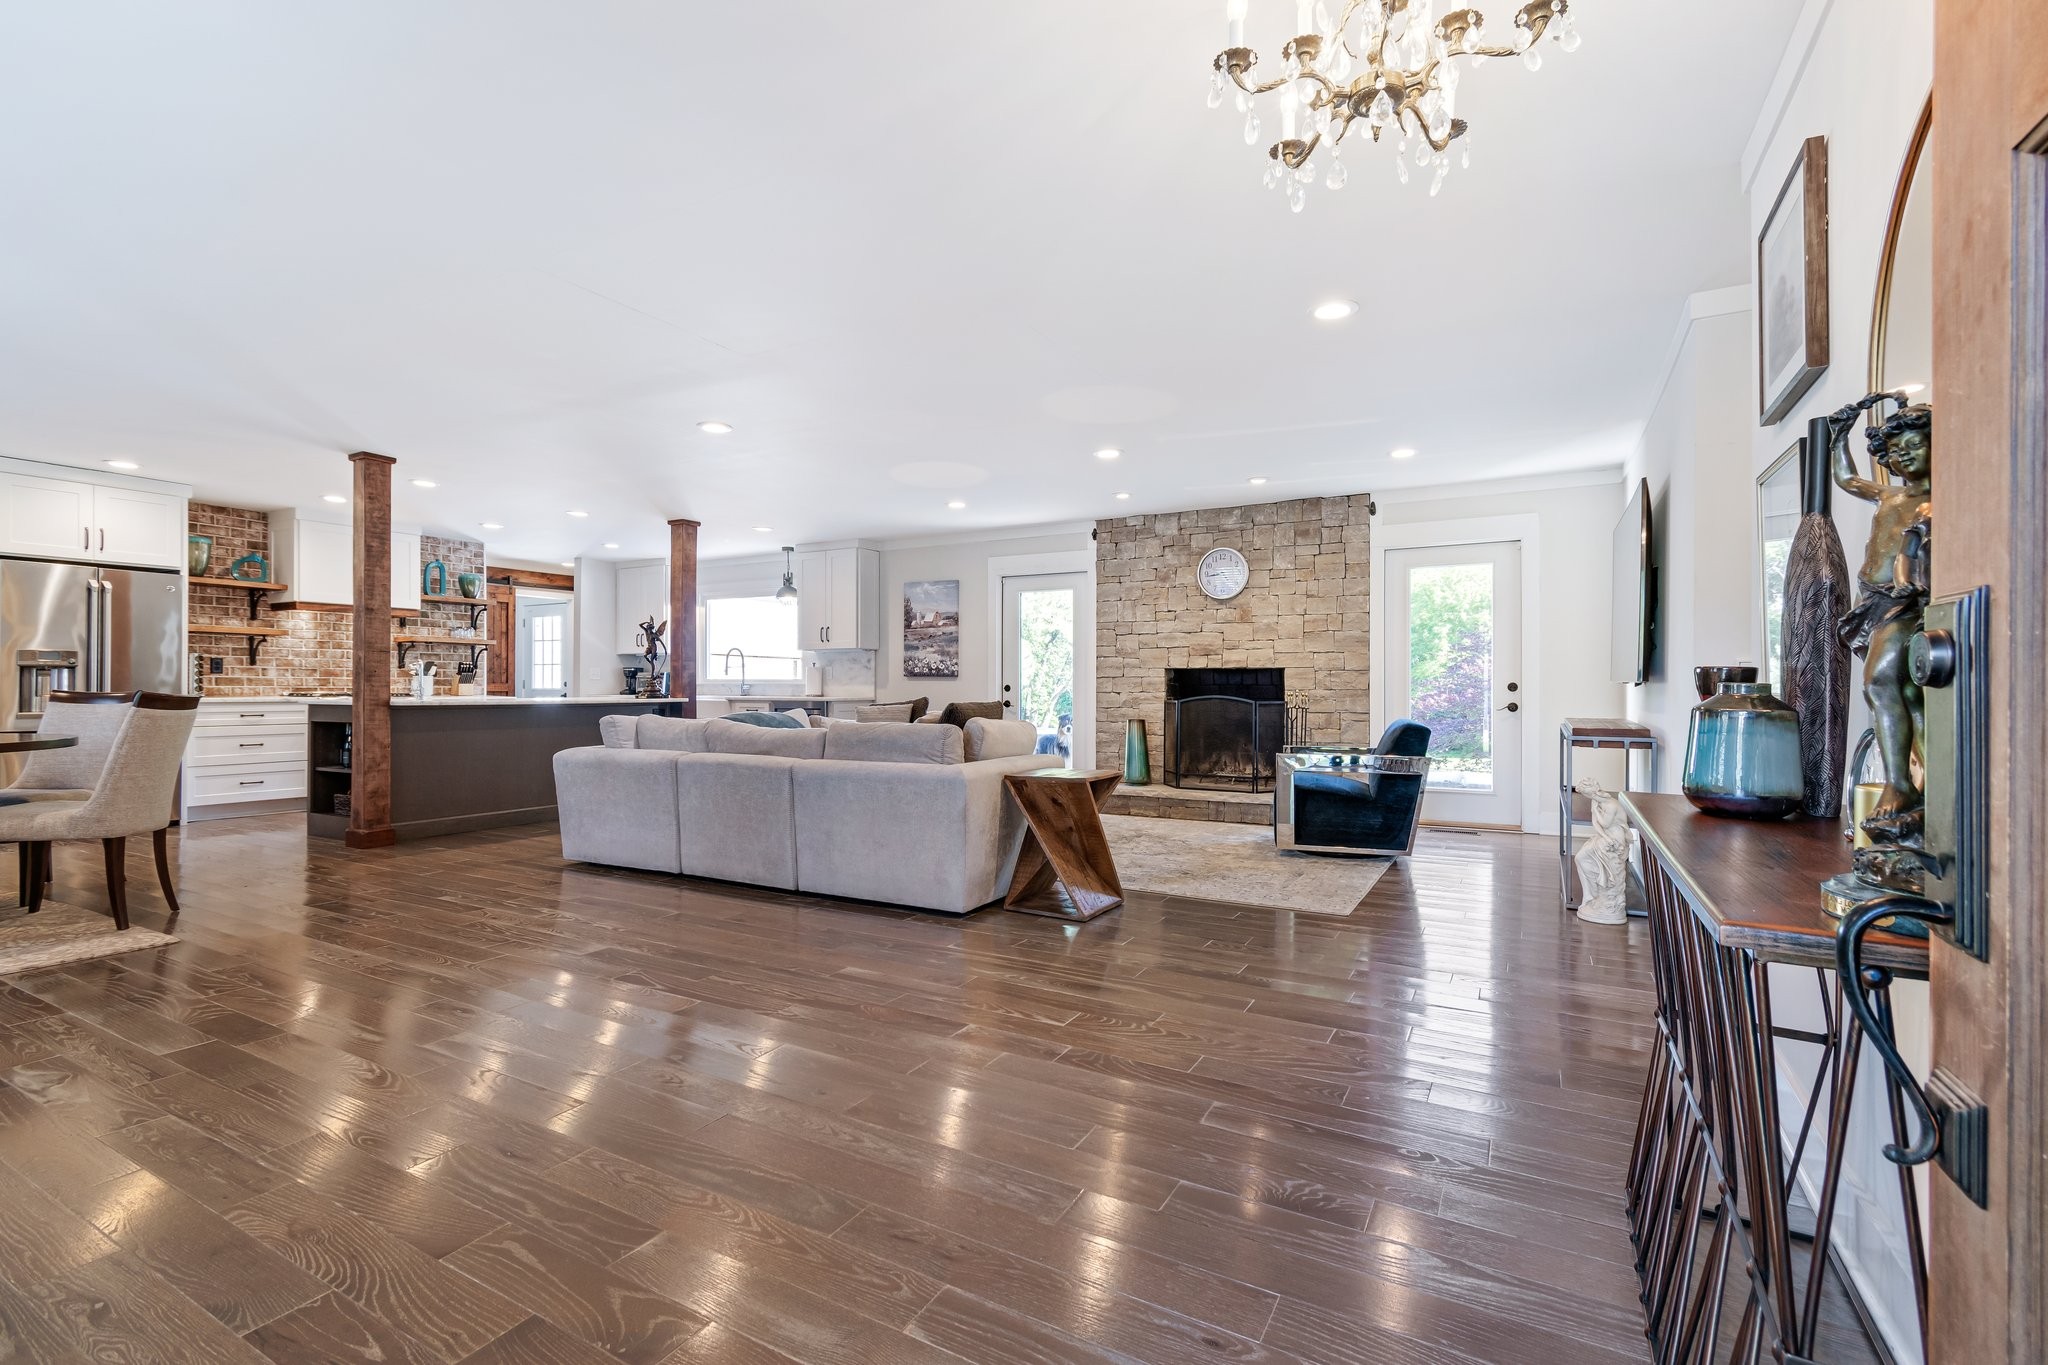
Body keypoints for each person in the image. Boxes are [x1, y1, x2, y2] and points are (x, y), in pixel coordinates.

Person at [1831, 395, 1931, 841]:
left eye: (1914, 444)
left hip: (1906, 602)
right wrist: (1839, 437)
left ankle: (1901, 784)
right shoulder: (1891, 494)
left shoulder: (1938, 502)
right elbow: (1847, 479)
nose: (1903, 455)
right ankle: (1913, 782)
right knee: (1904, 692)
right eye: (1896, 449)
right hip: (1873, 602)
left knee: (1881, 682)